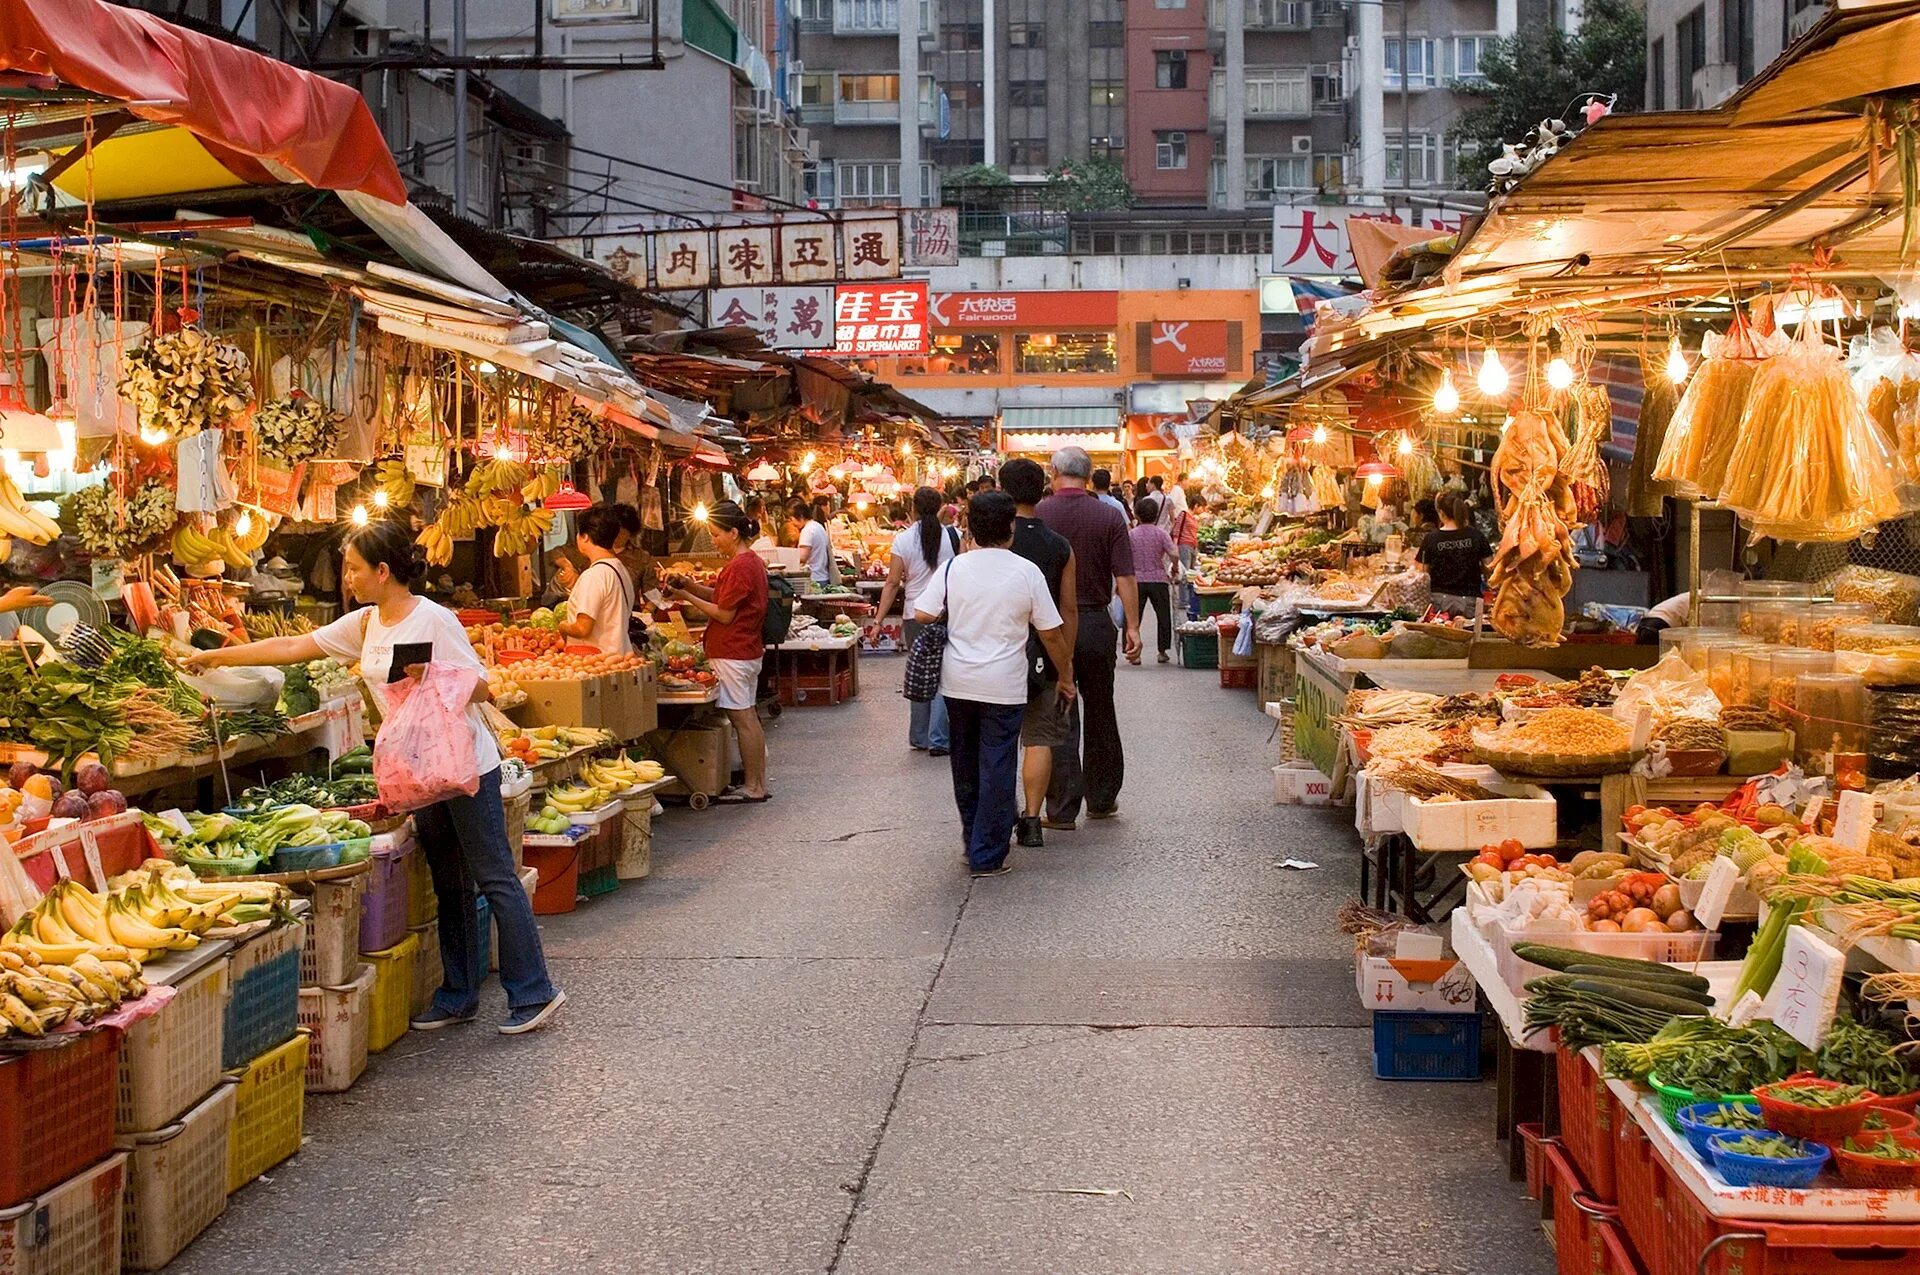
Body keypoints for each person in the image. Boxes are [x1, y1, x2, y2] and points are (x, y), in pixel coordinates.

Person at [183, 521, 564, 1035]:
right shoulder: (365, 624)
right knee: (447, 884)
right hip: (418, 774)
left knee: (494, 877)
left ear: (382, 571)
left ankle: (533, 992)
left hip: (465, 766)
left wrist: (430, 676)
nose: (347, 577)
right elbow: (296, 647)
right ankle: (457, 994)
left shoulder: (435, 620)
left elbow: (483, 689)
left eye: (354, 568)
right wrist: (212, 656)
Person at [916, 491, 1075, 877]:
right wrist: (1065, 677)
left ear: (969, 527)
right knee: (997, 766)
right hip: (1004, 686)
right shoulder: (1025, 572)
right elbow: (1052, 633)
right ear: (1010, 528)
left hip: (958, 684)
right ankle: (988, 853)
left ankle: (974, 841)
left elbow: (922, 612)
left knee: (965, 766)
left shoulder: (954, 569)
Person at [1036, 445, 1139, 828]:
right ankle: (1102, 797)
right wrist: (1132, 625)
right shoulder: (1109, 515)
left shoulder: (1040, 514)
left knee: (1060, 713)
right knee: (1101, 710)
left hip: (1051, 629)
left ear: (1054, 472)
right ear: (1089, 473)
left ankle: (1062, 809)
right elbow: (1125, 575)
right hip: (1096, 624)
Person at [670, 501, 771, 802]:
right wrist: (691, 586)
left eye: (716, 535)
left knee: (744, 719)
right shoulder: (747, 562)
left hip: (734, 651)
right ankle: (757, 782)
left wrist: (685, 595)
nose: (713, 541)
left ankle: (755, 786)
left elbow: (724, 614)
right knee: (747, 716)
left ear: (734, 532)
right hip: (743, 649)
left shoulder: (741, 565)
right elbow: (722, 598)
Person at [999, 458, 1076, 848]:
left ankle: (1000, 815)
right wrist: (1067, 670)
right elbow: (1067, 612)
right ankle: (1031, 820)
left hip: (998, 654)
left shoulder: (988, 543)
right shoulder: (1058, 545)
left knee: (999, 741)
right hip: (1042, 657)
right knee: (1039, 737)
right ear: (1042, 489)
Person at [870, 486, 961, 754]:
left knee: (921, 674)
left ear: (913, 508)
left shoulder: (903, 540)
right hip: (946, 613)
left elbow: (892, 582)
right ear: (940, 507)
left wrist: (878, 621)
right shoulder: (951, 537)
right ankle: (938, 737)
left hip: (914, 615)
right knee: (943, 674)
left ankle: (920, 736)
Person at [557, 505, 634, 655]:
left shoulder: (594, 576)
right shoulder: (619, 568)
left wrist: (562, 626)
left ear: (585, 537)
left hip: (598, 661)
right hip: (619, 656)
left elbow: (582, 628)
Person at [1418, 490, 1493, 616]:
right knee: (1470, 634)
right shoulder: (1476, 536)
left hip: (1439, 602)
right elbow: (1491, 566)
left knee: (1440, 633)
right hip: (1470, 602)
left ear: (1441, 513)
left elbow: (1422, 572)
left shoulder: (1431, 539)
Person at [1129, 495, 1179, 663]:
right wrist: (1175, 567)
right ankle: (1162, 651)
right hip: (1158, 578)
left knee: (1134, 617)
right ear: (1157, 514)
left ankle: (1134, 653)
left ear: (1137, 515)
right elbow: (1174, 553)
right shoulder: (1161, 534)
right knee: (1163, 616)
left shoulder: (1132, 535)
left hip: (1137, 580)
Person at [788, 498, 836, 587]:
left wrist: (785, 559)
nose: (792, 523)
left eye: (792, 519)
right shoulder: (818, 526)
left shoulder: (807, 531)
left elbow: (802, 557)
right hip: (823, 576)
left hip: (814, 578)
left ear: (801, 516)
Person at [1170, 494, 1203, 614]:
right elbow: (1176, 530)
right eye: (1201, 507)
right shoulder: (1183, 514)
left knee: (1191, 573)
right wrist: (1174, 547)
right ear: (1196, 505)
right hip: (1184, 546)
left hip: (1193, 547)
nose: (1202, 510)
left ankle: (1190, 598)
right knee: (1185, 573)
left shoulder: (1194, 518)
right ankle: (1183, 601)